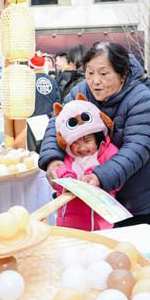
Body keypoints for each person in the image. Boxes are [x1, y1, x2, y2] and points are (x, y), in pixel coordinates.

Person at [39, 42, 150, 228]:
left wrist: (101, 176)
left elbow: (137, 148)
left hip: (137, 197)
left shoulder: (142, 99)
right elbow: (57, 123)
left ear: (122, 74)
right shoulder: (81, 92)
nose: (95, 81)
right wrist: (52, 158)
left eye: (104, 74)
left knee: (133, 245)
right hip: (93, 202)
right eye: (90, 73)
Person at [51, 94, 120, 231]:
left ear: (97, 137)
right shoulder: (68, 157)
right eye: (75, 143)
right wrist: (66, 180)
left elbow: (116, 178)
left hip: (101, 221)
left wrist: (97, 176)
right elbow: (58, 174)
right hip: (69, 221)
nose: (82, 148)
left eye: (87, 141)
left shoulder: (108, 152)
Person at [27, 52, 62, 153]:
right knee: (48, 148)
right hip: (49, 119)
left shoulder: (28, 81)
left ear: (31, 66)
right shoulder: (52, 80)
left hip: (32, 119)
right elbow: (57, 101)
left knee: (35, 151)